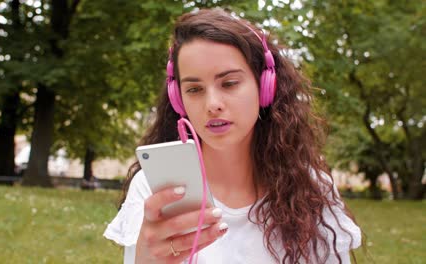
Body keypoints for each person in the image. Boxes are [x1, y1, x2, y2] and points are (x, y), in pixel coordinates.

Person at [104, 8, 361, 264]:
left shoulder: (315, 190)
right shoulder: (152, 189)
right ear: (178, 99)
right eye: (194, 89)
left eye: (229, 83)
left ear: (265, 88)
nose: (212, 104)